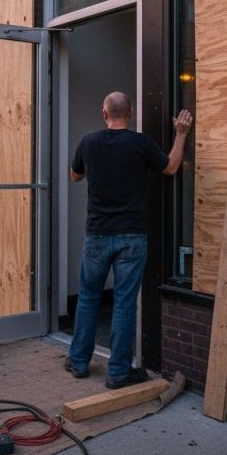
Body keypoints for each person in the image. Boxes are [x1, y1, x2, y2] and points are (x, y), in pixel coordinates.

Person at [67, 91, 193, 389]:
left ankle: (79, 362)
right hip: (131, 237)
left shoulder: (88, 142)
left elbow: (74, 176)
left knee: (87, 298)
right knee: (124, 303)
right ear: (131, 113)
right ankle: (118, 373)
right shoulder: (141, 144)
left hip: (97, 235)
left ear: (104, 113)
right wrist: (181, 134)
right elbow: (171, 167)